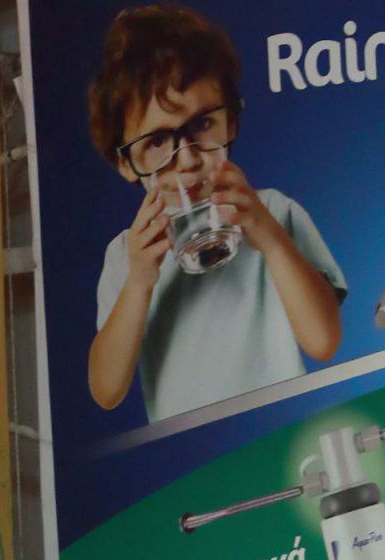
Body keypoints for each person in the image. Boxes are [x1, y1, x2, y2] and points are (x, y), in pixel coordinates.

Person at [86, 5, 345, 421]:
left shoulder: (273, 211)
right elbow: (106, 390)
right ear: (126, 163)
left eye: (203, 124)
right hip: (194, 450)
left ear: (232, 121)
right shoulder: (126, 255)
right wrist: (138, 283)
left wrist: (270, 238)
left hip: (282, 430)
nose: (187, 159)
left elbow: (323, 342)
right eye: (157, 142)